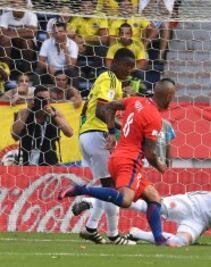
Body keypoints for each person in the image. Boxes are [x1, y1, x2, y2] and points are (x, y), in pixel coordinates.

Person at [59, 78, 177, 246]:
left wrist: (112, 132)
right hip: (130, 161)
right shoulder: (155, 119)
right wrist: (160, 166)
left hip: (117, 157)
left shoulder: (136, 101)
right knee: (125, 200)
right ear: (168, 96)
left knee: (153, 197)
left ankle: (158, 238)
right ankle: (80, 190)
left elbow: (110, 106)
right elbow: (149, 153)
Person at [71, 48, 136, 245]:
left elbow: (93, 109)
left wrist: (120, 126)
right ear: (114, 62)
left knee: (108, 185)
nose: (129, 70)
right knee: (112, 188)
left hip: (88, 134)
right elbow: (102, 110)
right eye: (126, 65)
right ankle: (114, 234)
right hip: (97, 135)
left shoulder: (108, 80)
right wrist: (112, 130)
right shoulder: (109, 78)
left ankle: (92, 228)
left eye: (132, 67)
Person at [11, 85, 73, 166]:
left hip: (49, 160)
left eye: (46, 100)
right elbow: (15, 134)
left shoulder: (55, 113)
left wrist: (53, 116)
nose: (43, 102)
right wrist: (27, 111)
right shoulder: (24, 112)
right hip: (26, 160)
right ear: (34, 99)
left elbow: (69, 133)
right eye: (40, 99)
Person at [0, 0, 38, 72]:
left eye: (20, 6)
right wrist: (24, 30)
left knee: (27, 43)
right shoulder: (5, 16)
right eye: (15, 6)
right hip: (10, 42)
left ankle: (27, 72)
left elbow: (32, 33)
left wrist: (11, 33)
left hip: (24, 41)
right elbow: (2, 33)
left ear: (25, 6)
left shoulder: (31, 15)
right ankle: (5, 72)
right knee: (4, 40)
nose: (18, 8)